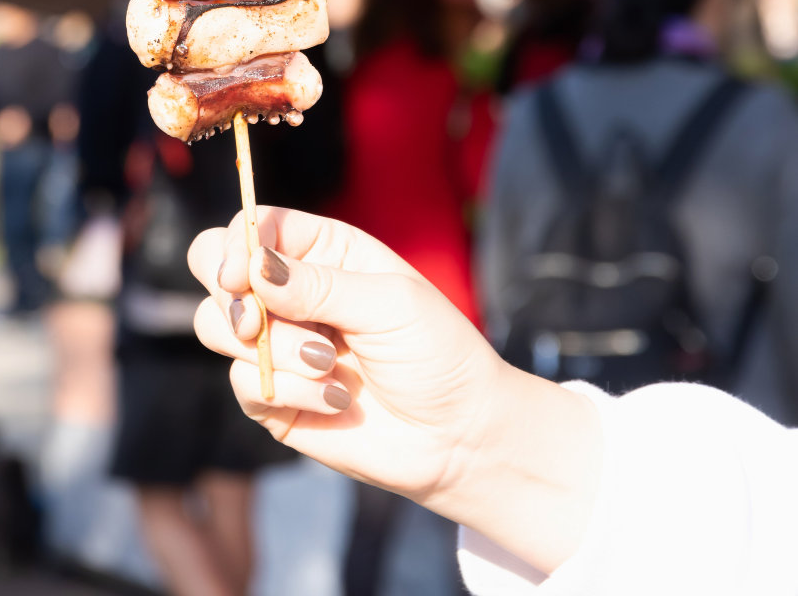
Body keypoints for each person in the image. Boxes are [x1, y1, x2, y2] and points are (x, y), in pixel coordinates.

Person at [190, 203, 798, 596]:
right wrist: (478, 433)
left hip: (400, 301)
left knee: (372, 534)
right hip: (409, 300)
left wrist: (477, 437)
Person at [481, 0, 798, 421]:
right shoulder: (762, 117)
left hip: (573, 442)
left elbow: (500, 289)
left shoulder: (535, 113)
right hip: (731, 441)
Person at [78, 7, 295, 596]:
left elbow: (93, 160)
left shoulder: (128, 40)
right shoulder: (273, 30)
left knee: (159, 494)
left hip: (160, 305)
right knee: (233, 490)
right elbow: (320, 159)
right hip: (255, 281)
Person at [331, 0, 493, 596]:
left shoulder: (348, 81)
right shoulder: (455, 87)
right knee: (457, 499)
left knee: (368, 501)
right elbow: (484, 181)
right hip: (444, 305)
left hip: (352, 300)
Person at [0, 5, 78, 315]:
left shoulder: (49, 52)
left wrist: (27, 118)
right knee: (12, 224)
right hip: (8, 151)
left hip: (38, 149)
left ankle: (37, 290)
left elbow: (60, 99)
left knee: (38, 223)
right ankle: (24, 292)